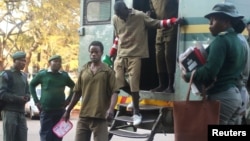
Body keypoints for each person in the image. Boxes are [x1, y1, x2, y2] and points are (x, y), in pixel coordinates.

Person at [109, 0, 180, 126]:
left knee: (134, 83)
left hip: (135, 55)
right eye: (119, 16)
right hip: (121, 55)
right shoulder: (116, 19)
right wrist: (112, 52)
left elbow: (157, 23)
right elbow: (118, 35)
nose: (121, 18)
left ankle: (136, 112)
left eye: (122, 15)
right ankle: (136, 97)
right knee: (117, 82)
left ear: (126, 9)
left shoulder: (139, 16)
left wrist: (173, 21)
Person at [181, 2, 246, 125]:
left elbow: (209, 72)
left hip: (221, 96)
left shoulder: (221, 41)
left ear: (226, 21)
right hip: (235, 97)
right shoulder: (238, 41)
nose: (209, 24)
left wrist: (188, 76)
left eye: (213, 20)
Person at [62, 41, 119, 141]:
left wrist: (110, 109)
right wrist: (68, 110)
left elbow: (115, 91)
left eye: (96, 52)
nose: (93, 54)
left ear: (101, 53)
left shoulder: (108, 71)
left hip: (100, 117)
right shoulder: (84, 70)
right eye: (92, 52)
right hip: (84, 116)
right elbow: (77, 92)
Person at [29, 55, 75, 141]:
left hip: (60, 110)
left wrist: (68, 100)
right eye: (55, 61)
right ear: (50, 63)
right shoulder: (43, 74)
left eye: (59, 62)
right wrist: (36, 101)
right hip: (46, 110)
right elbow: (32, 85)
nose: (57, 63)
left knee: (58, 135)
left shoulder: (64, 76)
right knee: (46, 135)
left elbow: (74, 87)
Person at [149, 0, 179, 93]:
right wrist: (150, 15)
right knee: (159, 56)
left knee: (168, 55)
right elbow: (154, 13)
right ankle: (162, 84)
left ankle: (171, 85)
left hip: (172, 25)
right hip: (160, 27)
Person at [0, 51, 30, 141]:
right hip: (9, 111)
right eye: (21, 60)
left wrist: (27, 97)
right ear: (14, 61)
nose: (24, 63)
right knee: (9, 138)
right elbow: (2, 94)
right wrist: (19, 99)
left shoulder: (24, 76)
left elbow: (28, 91)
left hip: (21, 112)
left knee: (22, 138)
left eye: (25, 61)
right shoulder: (6, 75)